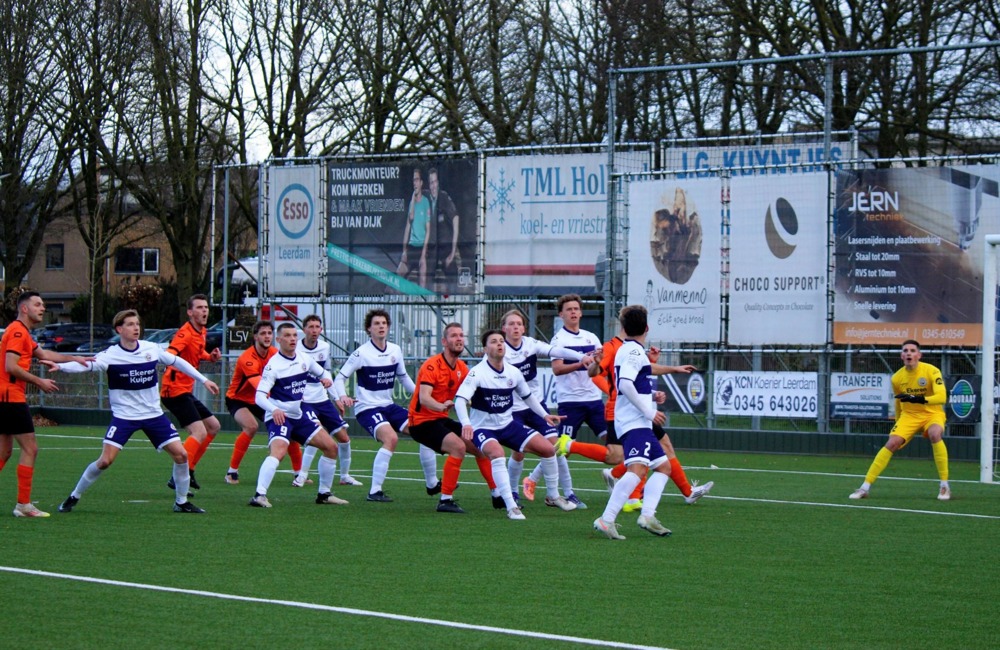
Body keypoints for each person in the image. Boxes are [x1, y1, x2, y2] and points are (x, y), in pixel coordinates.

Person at [53, 309, 219, 514]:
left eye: (137, 324)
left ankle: (181, 502)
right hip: (124, 417)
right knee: (105, 461)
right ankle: (74, 496)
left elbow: (177, 362)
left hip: (153, 415)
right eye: (130, 324)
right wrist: (59, 366)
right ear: (119, 329)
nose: (136, 328)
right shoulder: (110, 355)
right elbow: (85, 366)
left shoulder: (151, 348)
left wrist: (204, 379)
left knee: (182, 455)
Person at [576, 317, 713, 510]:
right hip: (628, 412)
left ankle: (642, 500)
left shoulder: (629, 348)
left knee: (656, 453)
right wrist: (618, 393)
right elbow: (598, 374)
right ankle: (619, 491)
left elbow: (641, 370)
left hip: (636, 409)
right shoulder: (615, 347)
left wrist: (665, 370)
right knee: (627, 457)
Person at [454, 330, 565, 521]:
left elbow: (528, 397)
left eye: (501, 341)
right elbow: (459, 400)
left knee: (548, 449)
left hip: (508, 425)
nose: (499, 344)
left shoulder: (513, 372)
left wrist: (545, 415)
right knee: (497, 454)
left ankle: (553, 496)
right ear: (485, 349)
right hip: (483, 428)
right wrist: (466, 423)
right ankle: (511, 506)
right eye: (494, 342)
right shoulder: (477, 373)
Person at [0, 291, 91, 517]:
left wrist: (74, 358)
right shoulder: (18, 333)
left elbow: (44, 353)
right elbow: (10, 366)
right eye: (37, 304)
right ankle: (23, 505)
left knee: (4, 452)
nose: (42, 308)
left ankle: (23, 504)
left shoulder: (22, 333)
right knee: (30, 448)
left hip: (6, 396)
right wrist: (39, 381)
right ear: (24, 308)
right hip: (9, 396)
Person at [593, 305, 673, 540]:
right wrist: (649, 412)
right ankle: (606, 519)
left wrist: (652, 397)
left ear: (623, 328)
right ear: (647, 328)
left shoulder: (630, 350)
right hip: (634, 422)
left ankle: (647, 515)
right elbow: (626, 385)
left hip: (636, 421)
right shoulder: (634, 352)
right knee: (637, 469)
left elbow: (633, 384)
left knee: (663, 467)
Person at [248, 323, 348, 508]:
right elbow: (259, 397)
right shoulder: (273, 366)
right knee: (278, 453)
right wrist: (274, 410)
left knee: (331, 447)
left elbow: (324, 372)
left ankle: (324, 494)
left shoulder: (303, 358)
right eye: (287, 335)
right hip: (279, 416)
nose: (293, 339)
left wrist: (325, 379)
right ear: (279, 340)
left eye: (294, 335)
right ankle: (259, 496)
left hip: (298, 414)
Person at [500, 308, 590, 511]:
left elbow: (555, 351)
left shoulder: (530, 344)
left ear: (523, 328)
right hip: (513, 409)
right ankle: (513, 493)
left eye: (519, 324)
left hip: (536, 406)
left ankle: (567, 494)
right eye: (511, 324)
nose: (516, 327)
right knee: (518, 452)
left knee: (556, 447)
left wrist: (580, 357)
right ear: (504, 328)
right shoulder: (500, 350)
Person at [407, 322, 501, 514]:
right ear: (444, 341)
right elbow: (424, 398)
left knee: (479, 448)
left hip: (440, 419)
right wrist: (441, 406)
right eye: (454, 336)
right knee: (458, 447)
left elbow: (471, 396)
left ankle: (497, 495)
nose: (459, 339)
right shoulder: (432, 365)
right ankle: (445, 500)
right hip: (421, 422)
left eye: (461, 336)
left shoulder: (462, 368)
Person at [333, 308, 422, 502]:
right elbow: (339, 379)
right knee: (391, 438)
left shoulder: (395, 350)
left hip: (388, 406)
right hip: (367, 408)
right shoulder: (361, 354)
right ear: (368, 329)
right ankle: (375, 491)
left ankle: (432, 484)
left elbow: (403, 377)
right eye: (376, 324)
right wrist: (343, 396)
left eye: (384, 323)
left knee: (423, 430)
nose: (381, 327)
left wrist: (421, 396)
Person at [526, 293, 603, 509]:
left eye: (576, 309)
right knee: (561, 450)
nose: (573, 313)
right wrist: (581, 362)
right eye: (569, 309)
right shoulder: (559, 340)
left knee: (613, 442)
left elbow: (598, 368)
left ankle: (620, 480)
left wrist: (597, 362)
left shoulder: (591, 338)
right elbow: (557, 369)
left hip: (594, 400)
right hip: (571, 402)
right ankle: (538, 481)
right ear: (561, 314)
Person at [849, 339, 951, 501]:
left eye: (912, 350)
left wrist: (917, 399)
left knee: (935, 434)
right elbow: (898, 402)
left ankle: (944, 485)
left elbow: (942, 397)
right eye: (905, 351)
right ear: (901, 356)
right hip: (909, 416)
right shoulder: (897, 378)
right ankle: (864, 487)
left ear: (919, 355)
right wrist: (897, 422)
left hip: (932, 414)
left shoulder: (932, 371)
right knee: (891, 443)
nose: (909, 353)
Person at [292, 314, 363, 488]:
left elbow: (327, 374)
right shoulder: (296, 350)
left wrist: (337, 398)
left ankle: (345, 476)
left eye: (317, 327)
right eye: (311, 327)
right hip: (304, 401)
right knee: (317, 435)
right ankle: (302, 475)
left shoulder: (324, 347)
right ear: (304, 330)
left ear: (321, 330)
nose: (314, 330)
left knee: (344, 438)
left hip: (322, 400)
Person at [161, 294, 222, 492]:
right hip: (173, 390)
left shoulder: (201, 331)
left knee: (213, 426)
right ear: (190, 312)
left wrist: (210, 357)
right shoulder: (185, 333)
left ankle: (190, 469)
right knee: (199, 431)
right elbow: (170, 353)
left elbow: (197, 353)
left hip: (185, 390)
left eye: (206, 307)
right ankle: (178, 476)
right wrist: (167, 362)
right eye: (199, 307)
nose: (204, 311)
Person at [223, 320, 277, 484]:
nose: (267, 336)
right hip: (237, 399)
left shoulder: (275, 354)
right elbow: (259, 385)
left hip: (259, 399)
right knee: (251, 426)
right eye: (263, 333)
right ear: (255, 337)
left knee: (283, 424)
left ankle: (299, 474)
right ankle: (232, 472)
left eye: (269, 333)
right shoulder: (247, 357)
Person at [397, 167, 432, 288]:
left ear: (421, 183)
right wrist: (404, 251)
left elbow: (428, 230)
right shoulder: (412, 203)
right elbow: (409, 224)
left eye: (417, 180)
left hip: (422, 247)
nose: (415, 183)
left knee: (422, 280)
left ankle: (424, 303)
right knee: (398, 277)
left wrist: (423, 253)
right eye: (413, 181)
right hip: (411, 246)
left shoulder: (426, 202)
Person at [427, 168, 460, 288]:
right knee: (427, 281)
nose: (434, 185)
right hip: (430, 249)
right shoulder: (425, 198)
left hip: (445, 248)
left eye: (435, 182)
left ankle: (454, 305)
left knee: (453, 280)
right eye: (431, 182)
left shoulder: (444, 197)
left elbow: (456, 219)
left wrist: (453, 250)